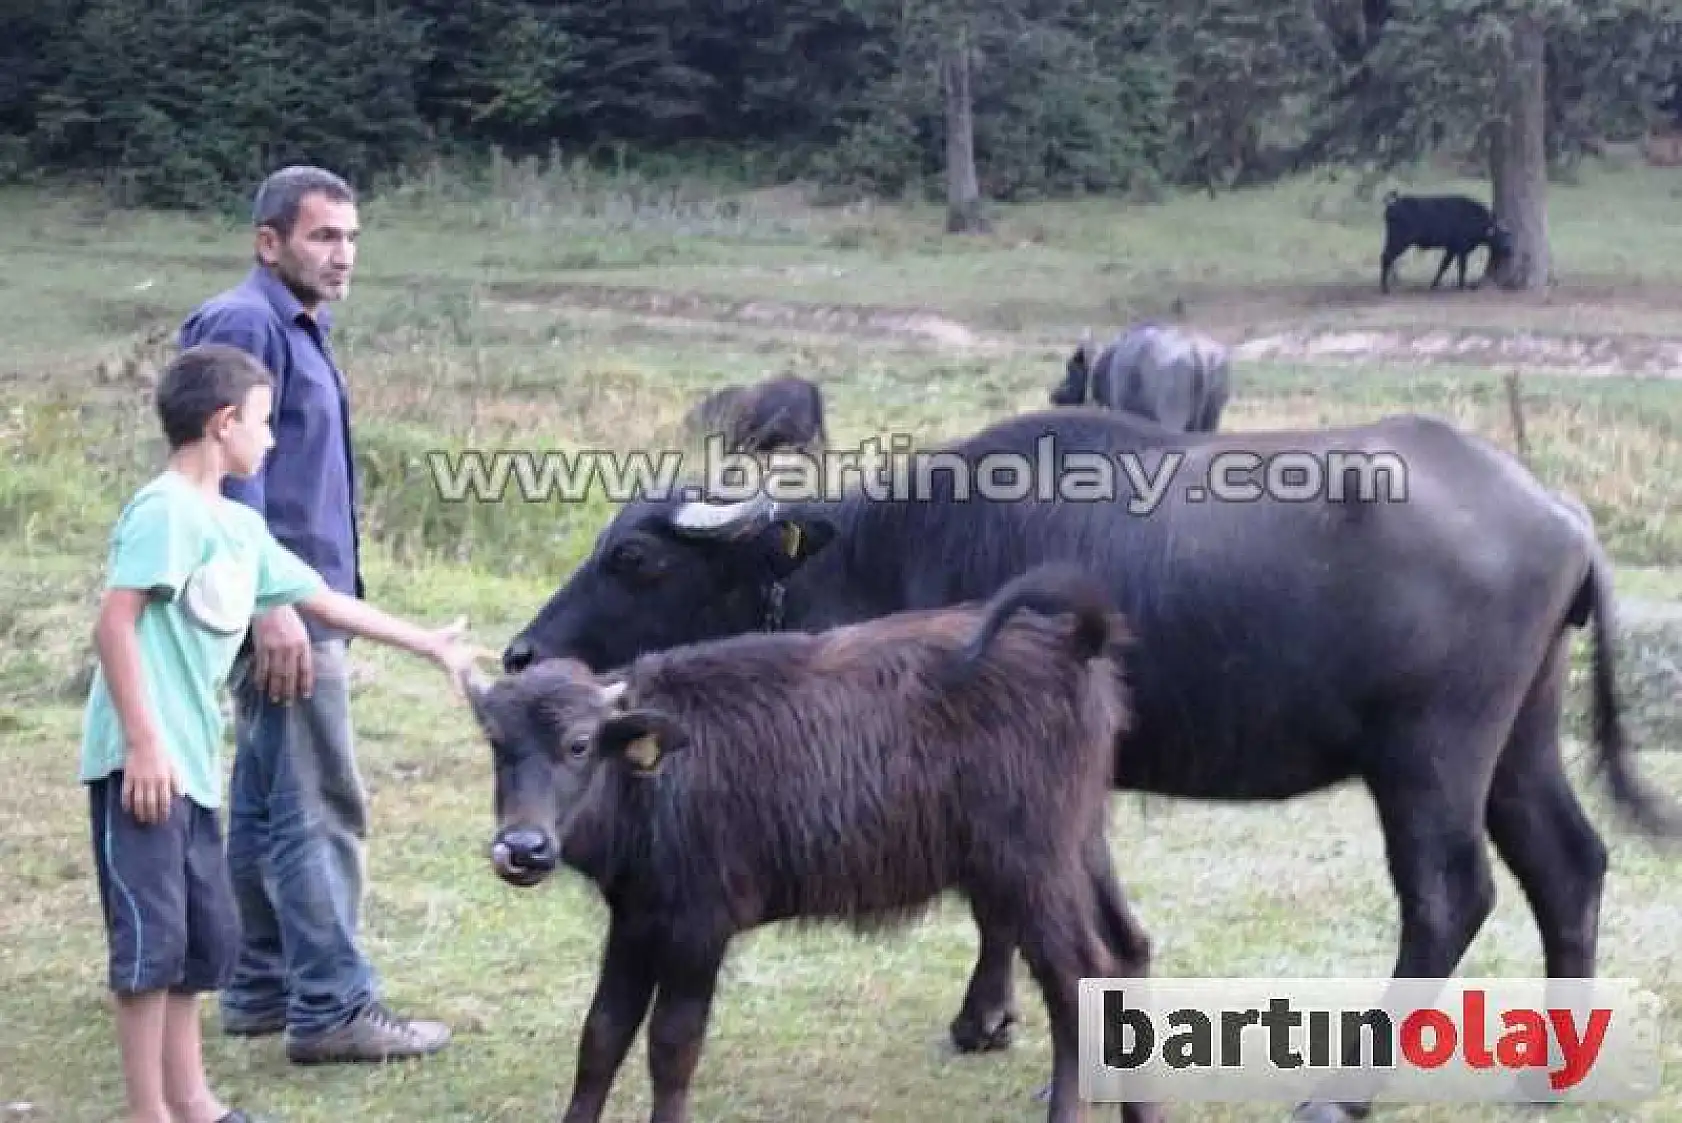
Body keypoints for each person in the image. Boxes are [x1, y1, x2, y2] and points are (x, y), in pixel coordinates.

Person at [80, 342, 487, 1123]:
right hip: (143, 763)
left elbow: (324, 602)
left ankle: (193, 1100)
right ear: (223, 423)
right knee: (149, 947)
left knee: (200, 942)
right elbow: (114, 625)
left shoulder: (234, 526)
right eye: (265, 423)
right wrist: (141, 741)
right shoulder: (166, 511)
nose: (273, 439)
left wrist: (430, 643)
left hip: (191, 765)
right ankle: (147, 1112)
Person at [176, 165, 451, 1063]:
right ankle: (333, 1004)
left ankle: (260, 984)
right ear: (270, 242)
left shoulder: (298, 326)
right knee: (320, 800)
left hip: (296, 601)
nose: (343, 255)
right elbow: (215, 476)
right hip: (280, 608)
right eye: (323, 237)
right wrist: (269, 604)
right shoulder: (247, 322)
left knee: (261, 799)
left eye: (352, 238)